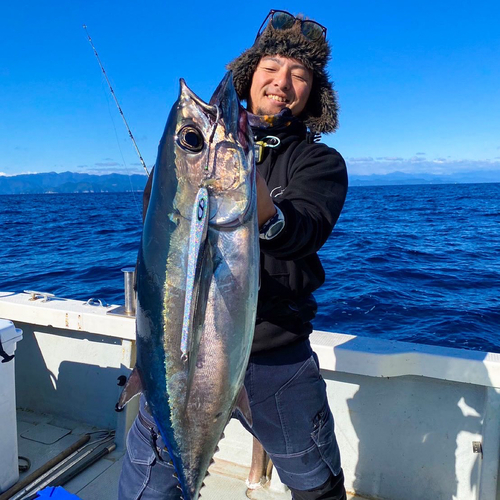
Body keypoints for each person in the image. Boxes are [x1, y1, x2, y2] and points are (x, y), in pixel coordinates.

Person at [119, 9, 348, 500]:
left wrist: (260, 204)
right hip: (177, 358)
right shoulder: (221, 145)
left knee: (318, 487)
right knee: (146, 488)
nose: (282, 83)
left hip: (276, 358)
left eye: (299, 74)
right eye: (271, 68)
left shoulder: (318, 163)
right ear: (251, 75)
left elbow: (304, 231)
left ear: (313, 92)